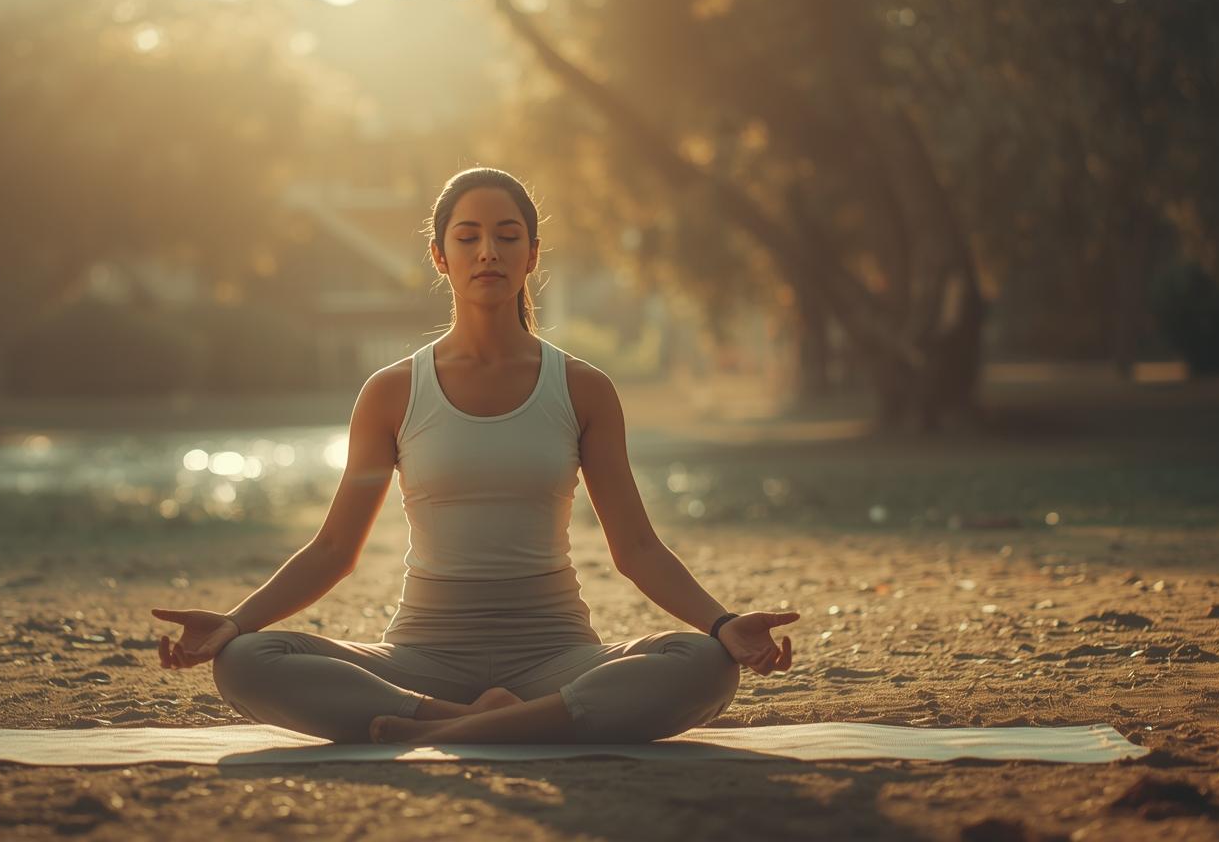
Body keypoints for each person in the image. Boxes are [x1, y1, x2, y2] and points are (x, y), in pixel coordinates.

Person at [151, 167, 797, 745]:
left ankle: (459, 727)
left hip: (557, 658)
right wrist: (233, 624)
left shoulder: (583, 389)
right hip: (420, 661)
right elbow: (332, 552)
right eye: (468, 237)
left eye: (508, 235)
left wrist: (722, 623)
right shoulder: (391, 393)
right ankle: (502, 721)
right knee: (246, 662)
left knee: (704, 664)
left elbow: (638, 550)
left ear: (532, 254)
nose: (488, 250)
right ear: (439, 256)